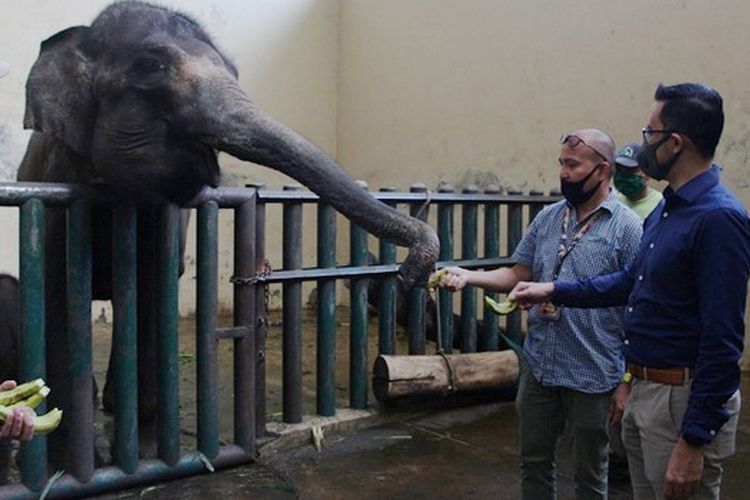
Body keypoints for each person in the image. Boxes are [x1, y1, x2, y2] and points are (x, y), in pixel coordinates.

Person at [509, 83, 750, 500]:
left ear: (675, 144)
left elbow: (723, 339)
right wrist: (552, 289)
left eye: (649, 134)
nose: (642, 145)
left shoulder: (718, 219)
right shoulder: (669, 209)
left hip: (680, 398)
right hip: (645, 389)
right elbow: (627, 284)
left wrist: (694, 439)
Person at [436, 128, 643, 499]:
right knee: (533, 465)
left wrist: (626, 381)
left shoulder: (628, 228)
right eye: (561, 163)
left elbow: (639, 307)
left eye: (573, 165)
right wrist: (468, 276)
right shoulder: (549, 218)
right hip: (540, 366)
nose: (563, 172)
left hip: (593, 372)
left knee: (591, 476)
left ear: (602, 170)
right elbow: (519, 273)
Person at [613, 142, 663, 219]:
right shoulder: (613, 202)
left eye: (630, 170)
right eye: (619, 169)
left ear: (647, 172)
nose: (623, 175)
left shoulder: (659, 206)